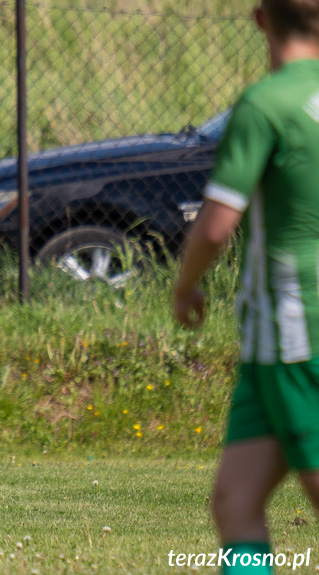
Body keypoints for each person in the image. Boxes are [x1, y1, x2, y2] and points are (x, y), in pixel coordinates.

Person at [174, 0, 319, 572]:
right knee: (235, 502)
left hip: (297, 327)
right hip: (267, 342)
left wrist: (185, 287)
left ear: (261, 19)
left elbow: (215, 225)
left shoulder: (265, 103)